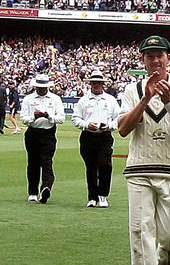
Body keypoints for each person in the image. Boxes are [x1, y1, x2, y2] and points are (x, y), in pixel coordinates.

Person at [118, 35, 170, 265]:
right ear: (143, 60)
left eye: (159, 55)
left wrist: (168, 101)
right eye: (149, 55)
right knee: (140, 234)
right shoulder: (132, 89)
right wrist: (145, 99)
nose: (155, 60)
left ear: (168, 58)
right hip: (139, 170)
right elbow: (123, 129)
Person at [72, 70, 120, 208]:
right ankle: (92, 197)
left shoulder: (110, 100)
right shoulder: (84, 100)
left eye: (99, 83)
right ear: (90, 84)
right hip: (88, 136)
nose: (97, 85)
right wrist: (87, 125)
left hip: (104, 136)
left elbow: (119, 118)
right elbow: (76, 119)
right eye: (94, 82)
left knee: (105, 165)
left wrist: (109, 126)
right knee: (91, 168)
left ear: (103, 84)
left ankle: (103, 195)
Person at [19, 74, 65, 204]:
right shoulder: (28, 99)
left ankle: (46, 187)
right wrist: (34, 117)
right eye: (39, 87)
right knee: (33, 163)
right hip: (33, 133)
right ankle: (32, 192)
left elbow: (60, 118)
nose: (42, 89)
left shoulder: (55, 99)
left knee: (46, 162)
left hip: (48, 134)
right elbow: (24, 119)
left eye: (44, 87)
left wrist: (48, 116)